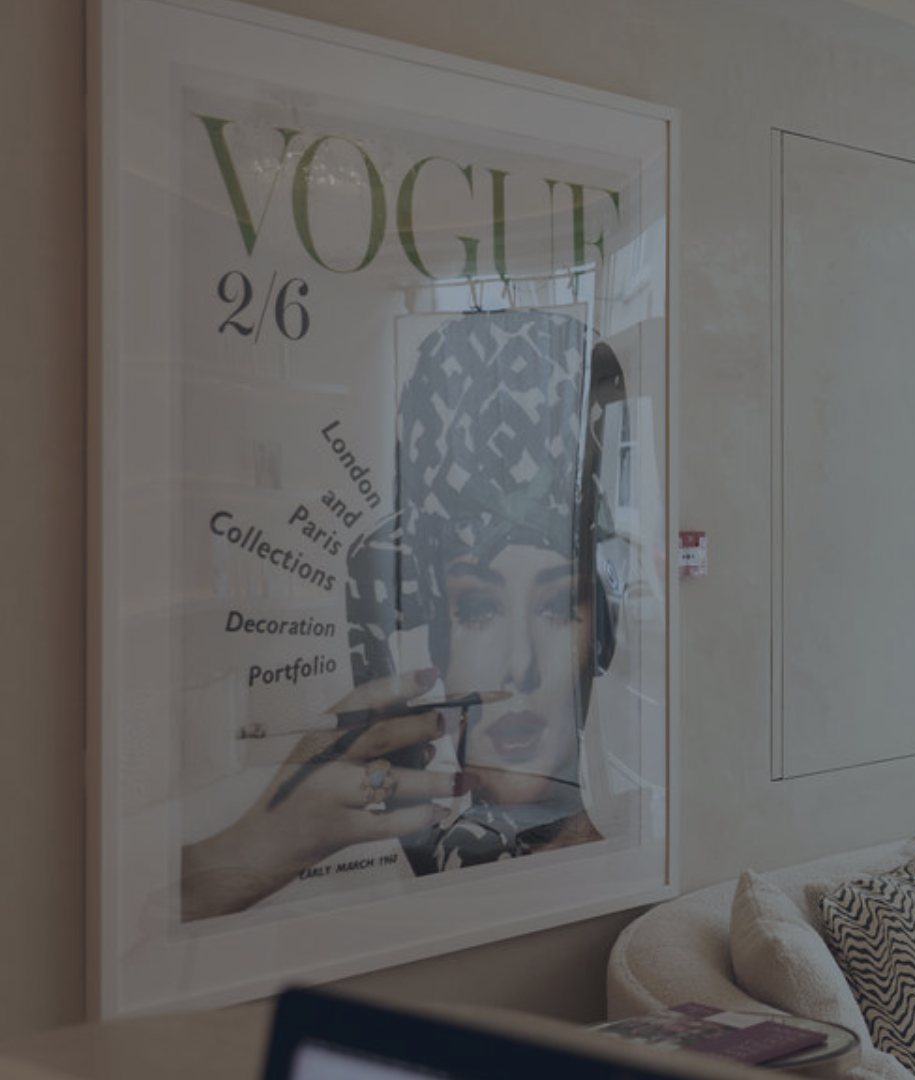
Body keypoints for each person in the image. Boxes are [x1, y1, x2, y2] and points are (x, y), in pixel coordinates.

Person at [181, 309, 625, 921]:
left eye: (556, 607)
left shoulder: (635, 851)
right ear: (436, 636)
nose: (519, 666)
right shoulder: (381, 861)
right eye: (478, 609)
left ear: (600, 633)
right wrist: (255, 848)